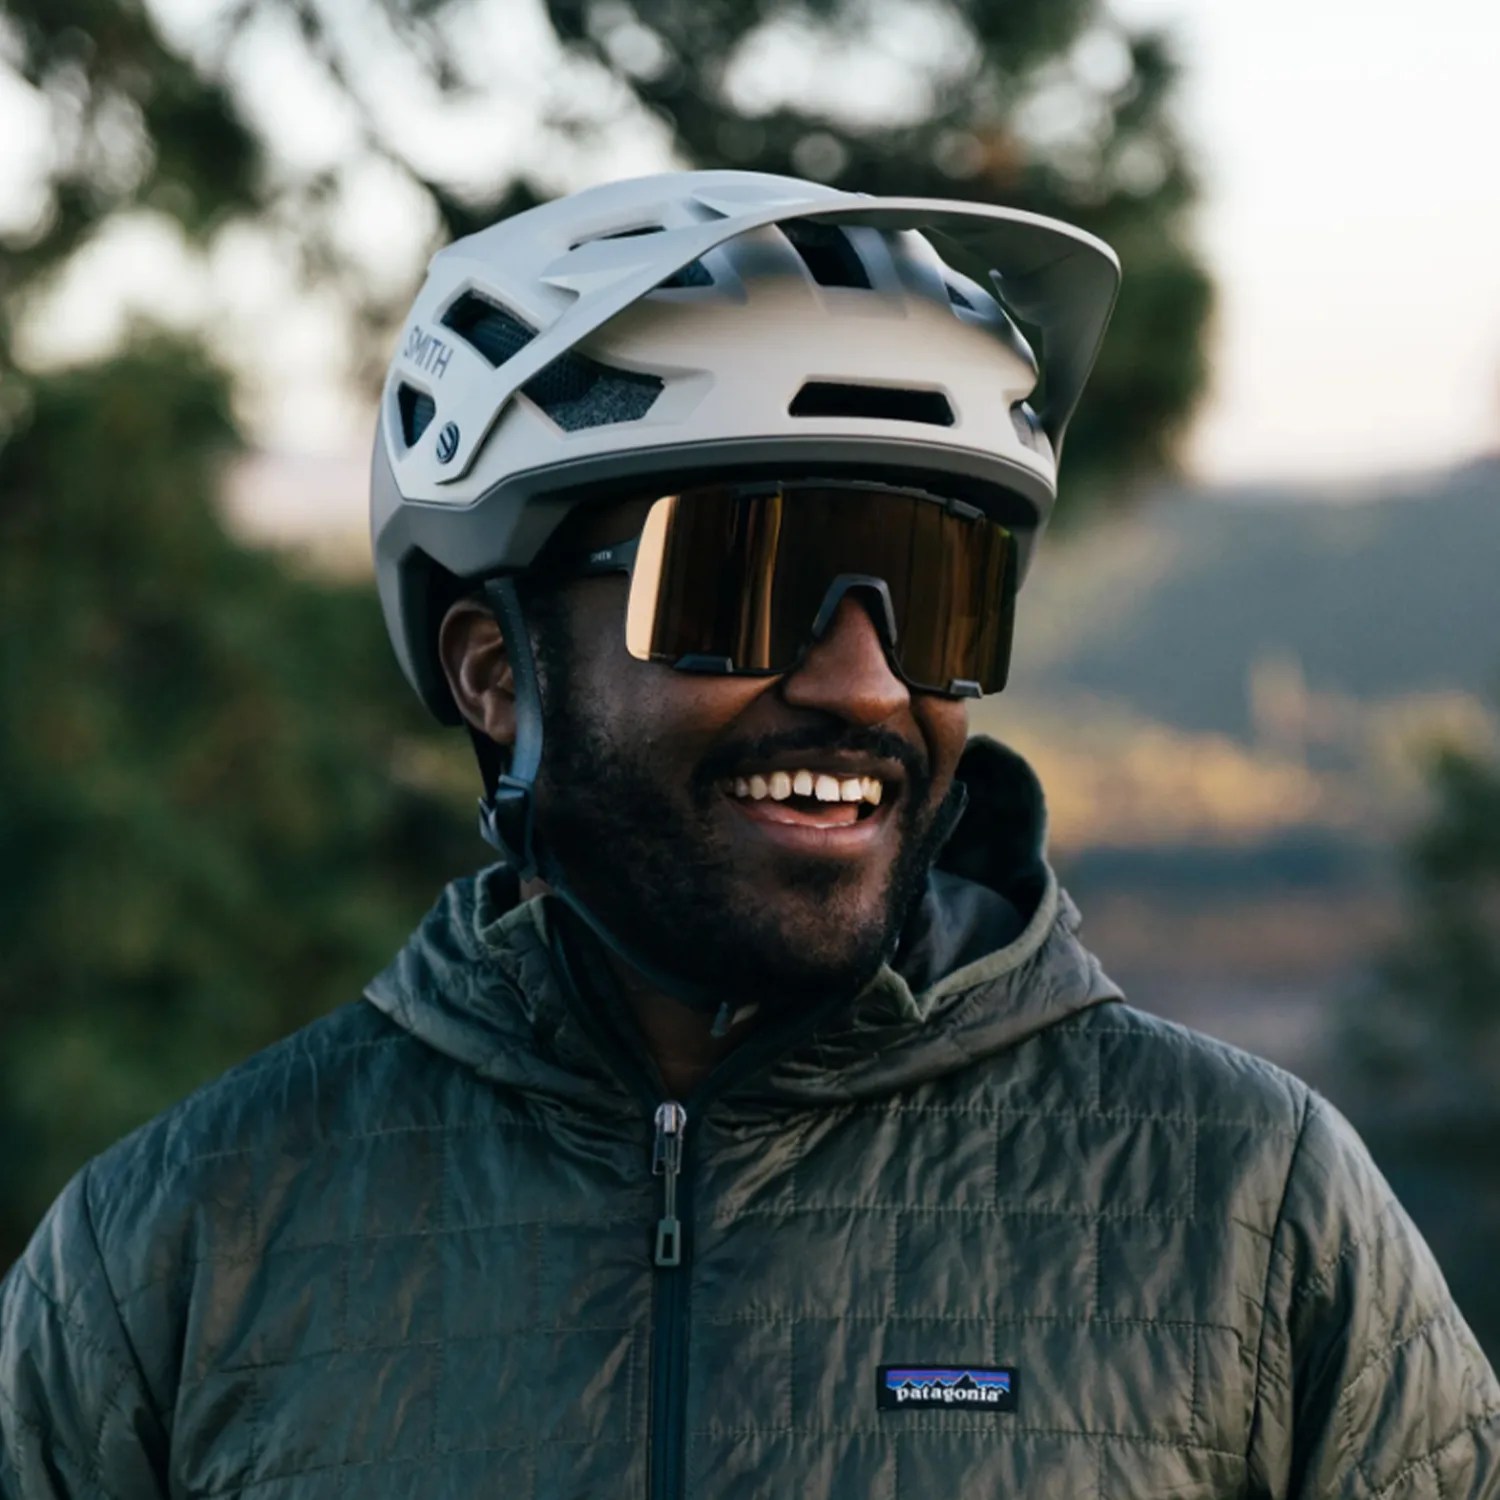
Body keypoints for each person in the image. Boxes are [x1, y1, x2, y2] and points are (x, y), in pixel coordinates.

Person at [1, 169, 1496, 1499]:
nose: (867, 684)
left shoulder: (1253, 1208)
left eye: (939, 592)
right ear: (495, 672)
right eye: (744, 579)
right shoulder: (173, 1254)